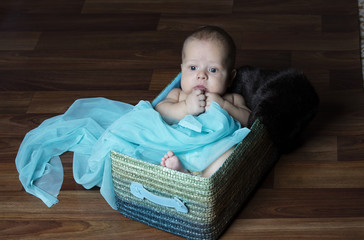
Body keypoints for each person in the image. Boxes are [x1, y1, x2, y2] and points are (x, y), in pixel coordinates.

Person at [155, 26, 251, 177]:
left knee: (229, 155)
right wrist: (185, 107)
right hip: (181, 149)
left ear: (230, 77)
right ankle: (182, 173)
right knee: (161, 152)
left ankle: (204, 184)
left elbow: (248, 121)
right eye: (193, 68)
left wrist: (224, 106)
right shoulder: (179, 95)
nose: (201, 75)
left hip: (214, 152)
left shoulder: (231, 99)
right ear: (182, 70)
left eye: (212, 70)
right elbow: (159, 111)